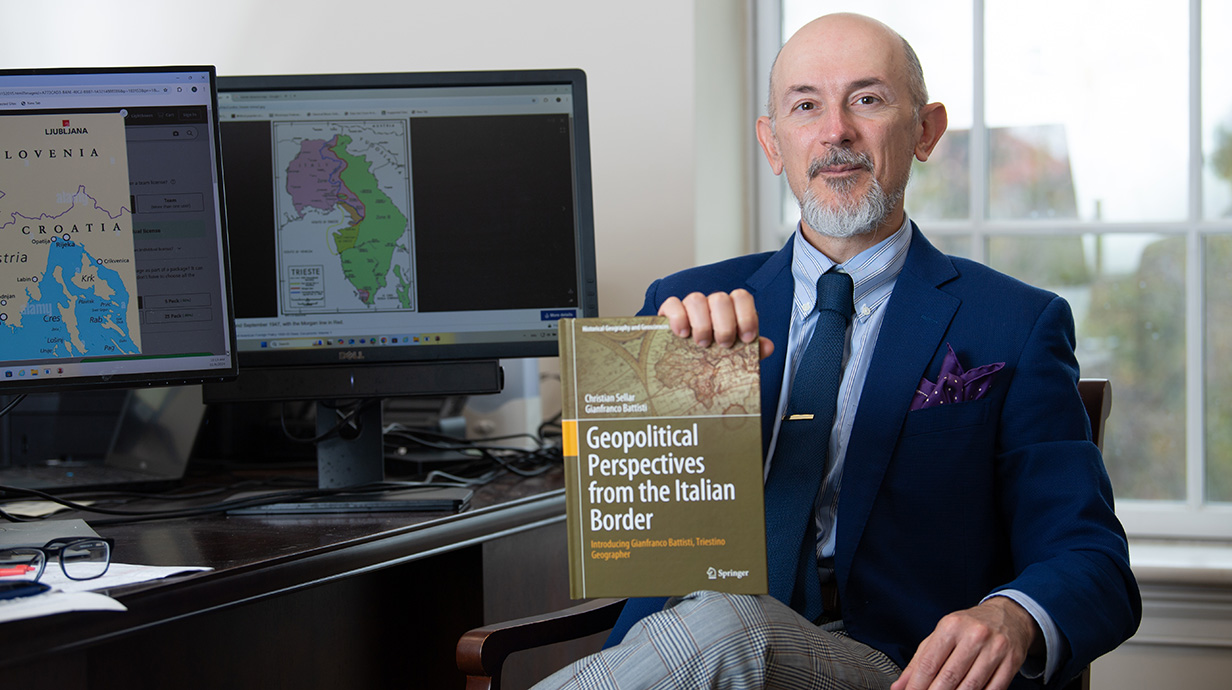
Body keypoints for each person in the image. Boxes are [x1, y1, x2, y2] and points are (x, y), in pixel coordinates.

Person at [533, 12, 1140, 690]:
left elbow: (1092, 561)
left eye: (867, 99)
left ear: (926, 130)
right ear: (773, 144)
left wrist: (1013, 615)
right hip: (690, 653)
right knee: (718, 624)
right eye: (805, 106)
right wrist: (666, 379)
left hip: (890, 665)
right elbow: (642, 541)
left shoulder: (1015, 324)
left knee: (733, 627)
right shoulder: (686, 303)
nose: (835, 132)